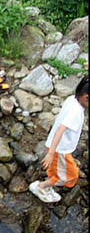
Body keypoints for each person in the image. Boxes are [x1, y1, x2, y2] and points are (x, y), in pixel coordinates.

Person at [29, 75, 88, 203]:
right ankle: (40, 187)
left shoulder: (72, 99)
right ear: (85, 96)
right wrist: (51, 153)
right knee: (70, 176)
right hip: (60, 149)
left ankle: (47, 185)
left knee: (57, 170)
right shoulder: (75, 112)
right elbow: (61, 129)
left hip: (57, 146)